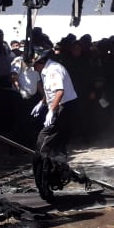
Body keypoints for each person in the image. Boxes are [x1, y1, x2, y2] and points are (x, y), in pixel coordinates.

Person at [29, 49, 80, 201]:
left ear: (40, 62)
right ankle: (55, 179)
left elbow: (59, 92)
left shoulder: (53, 70)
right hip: (61, 107)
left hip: (64, 108)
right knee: (55, 148)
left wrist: (51, 111)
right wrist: (42, 103)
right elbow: (50, 92)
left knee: (42, 146)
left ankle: (45, 188)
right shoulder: (46, 71)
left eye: (34, 65)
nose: (33, 68)